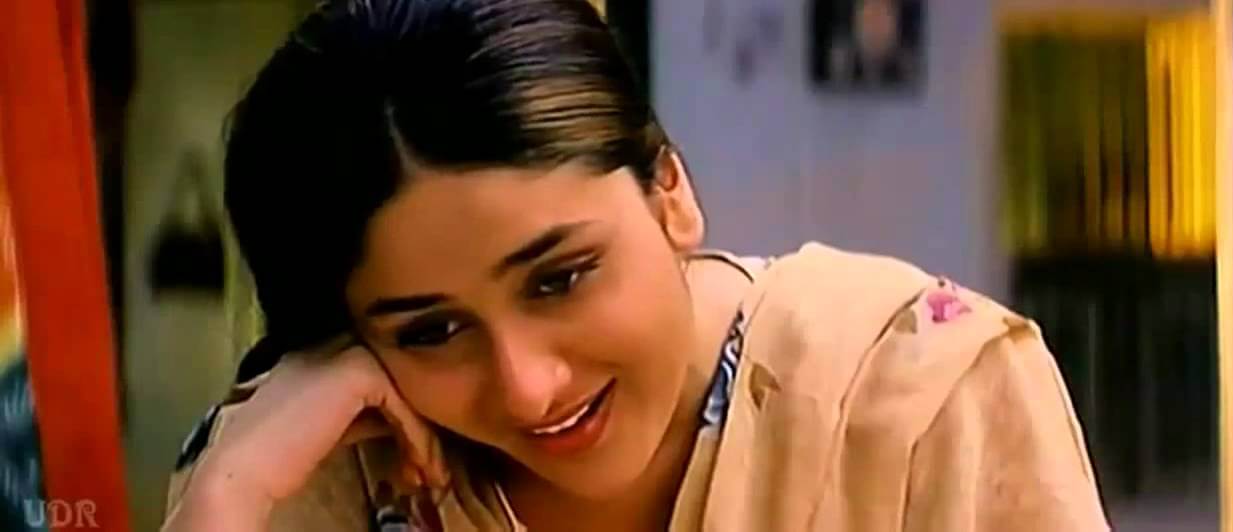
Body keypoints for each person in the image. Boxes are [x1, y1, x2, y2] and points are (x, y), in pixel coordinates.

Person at [161, 1, 1110, 530]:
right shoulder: (319, 465)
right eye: (432, 331)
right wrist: (224, 499)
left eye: (559, 277)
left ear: (670, 191)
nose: (529, 386)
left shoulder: (919, 397)